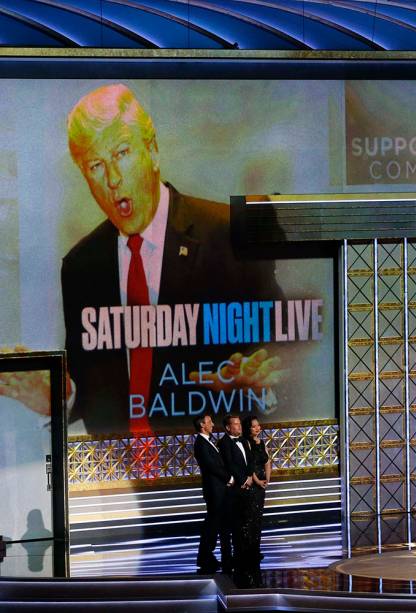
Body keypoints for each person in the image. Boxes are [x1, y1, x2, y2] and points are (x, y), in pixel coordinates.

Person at [57, 83, 285, 436]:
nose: (114, 179)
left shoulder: (230, 237)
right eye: (96, 166)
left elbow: (288, 351)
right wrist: (60, 393)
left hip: (215, 466)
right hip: (123, 476)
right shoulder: (79, 267)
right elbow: (89, 386)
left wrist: (257, 383)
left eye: (121, 153)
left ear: (153, 151)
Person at [192, 414, 233, 573]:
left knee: (217, 524)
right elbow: (211, 467)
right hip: (214, 490)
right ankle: (205, 557)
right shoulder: (201, 444)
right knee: (212, 525)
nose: (213, 424)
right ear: (202, 425)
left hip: (219, 490)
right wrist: (228, 477)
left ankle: (214, 556)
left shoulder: (208, 441)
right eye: (210, 422)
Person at [218, 414, 253, 580]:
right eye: (236, 424)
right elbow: (230, 464)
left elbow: (249, 461)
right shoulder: (224, 443)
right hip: (234, 491)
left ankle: (246, 555)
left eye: (240, 424)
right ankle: (235, 559)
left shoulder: (245, 441)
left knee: (247, 521)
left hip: (248, 487)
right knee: (236, 525)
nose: (239, 427)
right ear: (228, 427)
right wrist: (242, 479)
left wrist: (250, 477)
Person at [240, 414, 271, 586]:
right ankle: (247, 553)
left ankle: (256, 550)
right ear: (248, 428)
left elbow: (267, 461)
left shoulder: (262, 443)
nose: (257, 428)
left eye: (258, 425)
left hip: (261, 486)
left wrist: (267, 478)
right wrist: (258, 481)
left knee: (258, 518)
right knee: (249, 519)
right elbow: (248, 465)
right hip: (252, 485)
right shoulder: (246, 443)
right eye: (254, 426)